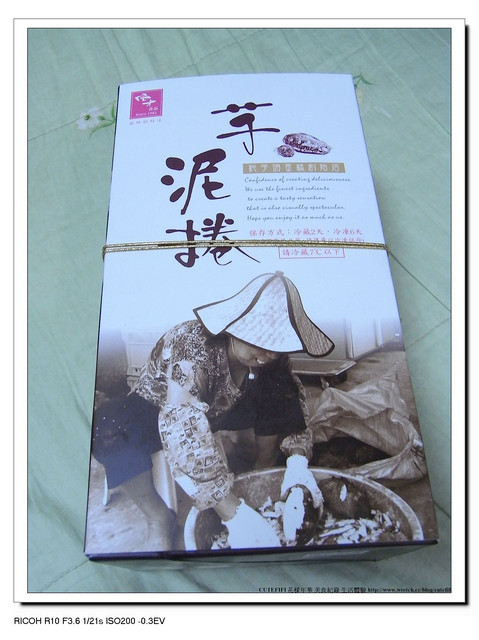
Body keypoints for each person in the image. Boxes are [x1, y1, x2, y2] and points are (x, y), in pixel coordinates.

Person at [92, 271, 334, 551]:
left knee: (279, 384)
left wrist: (298, 464)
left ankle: (263, 474)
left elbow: (290, 402)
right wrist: (232, 512)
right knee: (108, 429)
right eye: (262, 343)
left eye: (277, 347)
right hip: (159, 408)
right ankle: (158, 518)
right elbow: (182, 426)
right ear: (235, 326)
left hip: (224, 408)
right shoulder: (191, 346)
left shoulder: (270, 359)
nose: (269, 354)